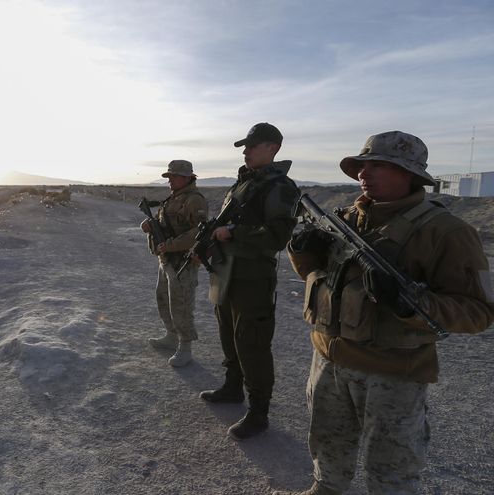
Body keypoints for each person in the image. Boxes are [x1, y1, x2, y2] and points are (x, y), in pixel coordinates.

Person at [276, 131, 494, 494]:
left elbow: (479, 311)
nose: (365, 173)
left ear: (409, 174)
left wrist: (413, 304)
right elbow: (322, 279)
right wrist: (302, 250)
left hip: (393, 372)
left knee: (391, 470)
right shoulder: (346, 218)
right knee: (327, 447)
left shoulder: (447, 232)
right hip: (329, 359)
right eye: (362, 165)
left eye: (379, 166)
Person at [199, 123, 300, 440]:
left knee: (252, 341)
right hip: (226, 270)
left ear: (272, 148)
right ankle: (232, 387)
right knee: (227, 331)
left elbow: (278, 236)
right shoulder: (242, 184)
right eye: (246, 146)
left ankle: (259, 412)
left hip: (253, 276)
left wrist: (234, 233)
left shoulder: (280, 188)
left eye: (253, 146)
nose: (246, 151)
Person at [141, 160, 208, 367]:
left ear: (188, 177)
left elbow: (200, 232)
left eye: (174, 176)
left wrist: (170, 246)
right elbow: (166, 224)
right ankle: (171, 336)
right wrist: (150, 226)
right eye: (169, 177)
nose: (170, 180)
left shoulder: (194, 200)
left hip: (182, 262)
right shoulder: (173, 198)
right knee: (163, 299)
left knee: (182, 304)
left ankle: (185, 347)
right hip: (167, 260)